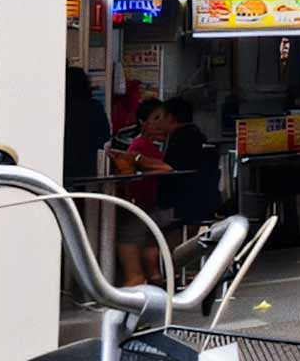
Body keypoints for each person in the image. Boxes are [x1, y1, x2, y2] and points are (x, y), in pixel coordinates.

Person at [116, 99, 173, 287]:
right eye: (156, 118)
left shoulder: (148, 146)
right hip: (142, 202)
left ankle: (141, 278)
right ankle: (147, 278)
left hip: (149, 204)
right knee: (140, 237)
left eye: (163, 118)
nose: (161, 124)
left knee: (136, 238)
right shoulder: (140, 146)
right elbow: (165, 168)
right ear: (143, 122)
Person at [158, 97, 214, 228]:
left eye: (160, 117)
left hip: (184, 202)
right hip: (197, 200)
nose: (159, 122)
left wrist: (138, 159)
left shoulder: (182, 137)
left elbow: (171, 167)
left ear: (171, 117)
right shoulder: (194, 134)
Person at [63, 67, 111, 181]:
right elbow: (105, 137)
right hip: (89, 166)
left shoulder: (61, 109)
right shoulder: (95, 107)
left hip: (64, 167)